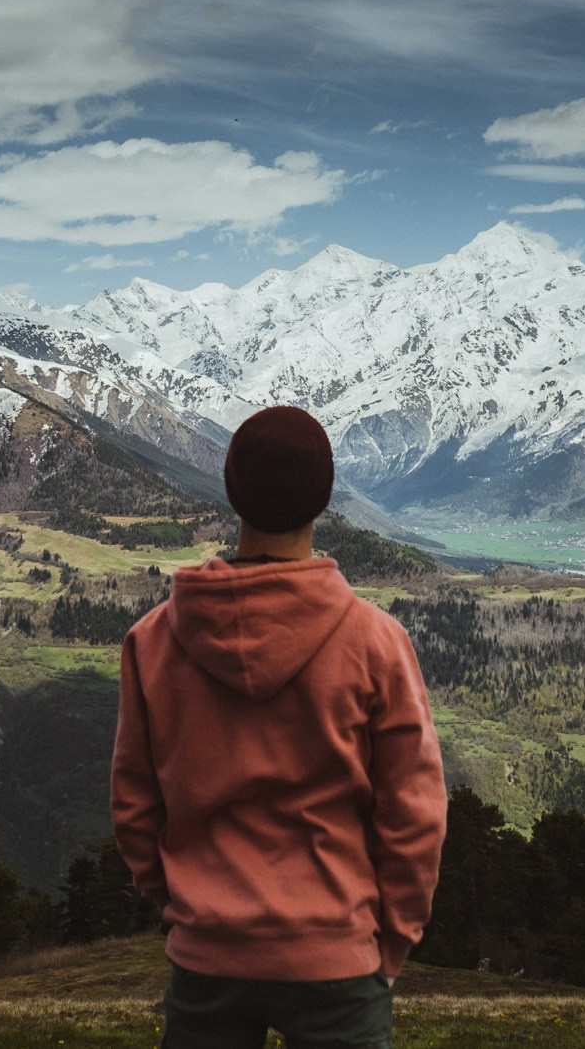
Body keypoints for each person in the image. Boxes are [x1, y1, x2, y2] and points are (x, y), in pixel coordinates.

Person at [110, 405, 447, 1049]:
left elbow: (134, 806)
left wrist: (186, 906)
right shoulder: (376, 643)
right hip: (339, 956)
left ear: (231, 489)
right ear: (325, 497)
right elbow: (415, 815)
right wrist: (392, 942)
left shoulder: (153, 642)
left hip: (206, 954)